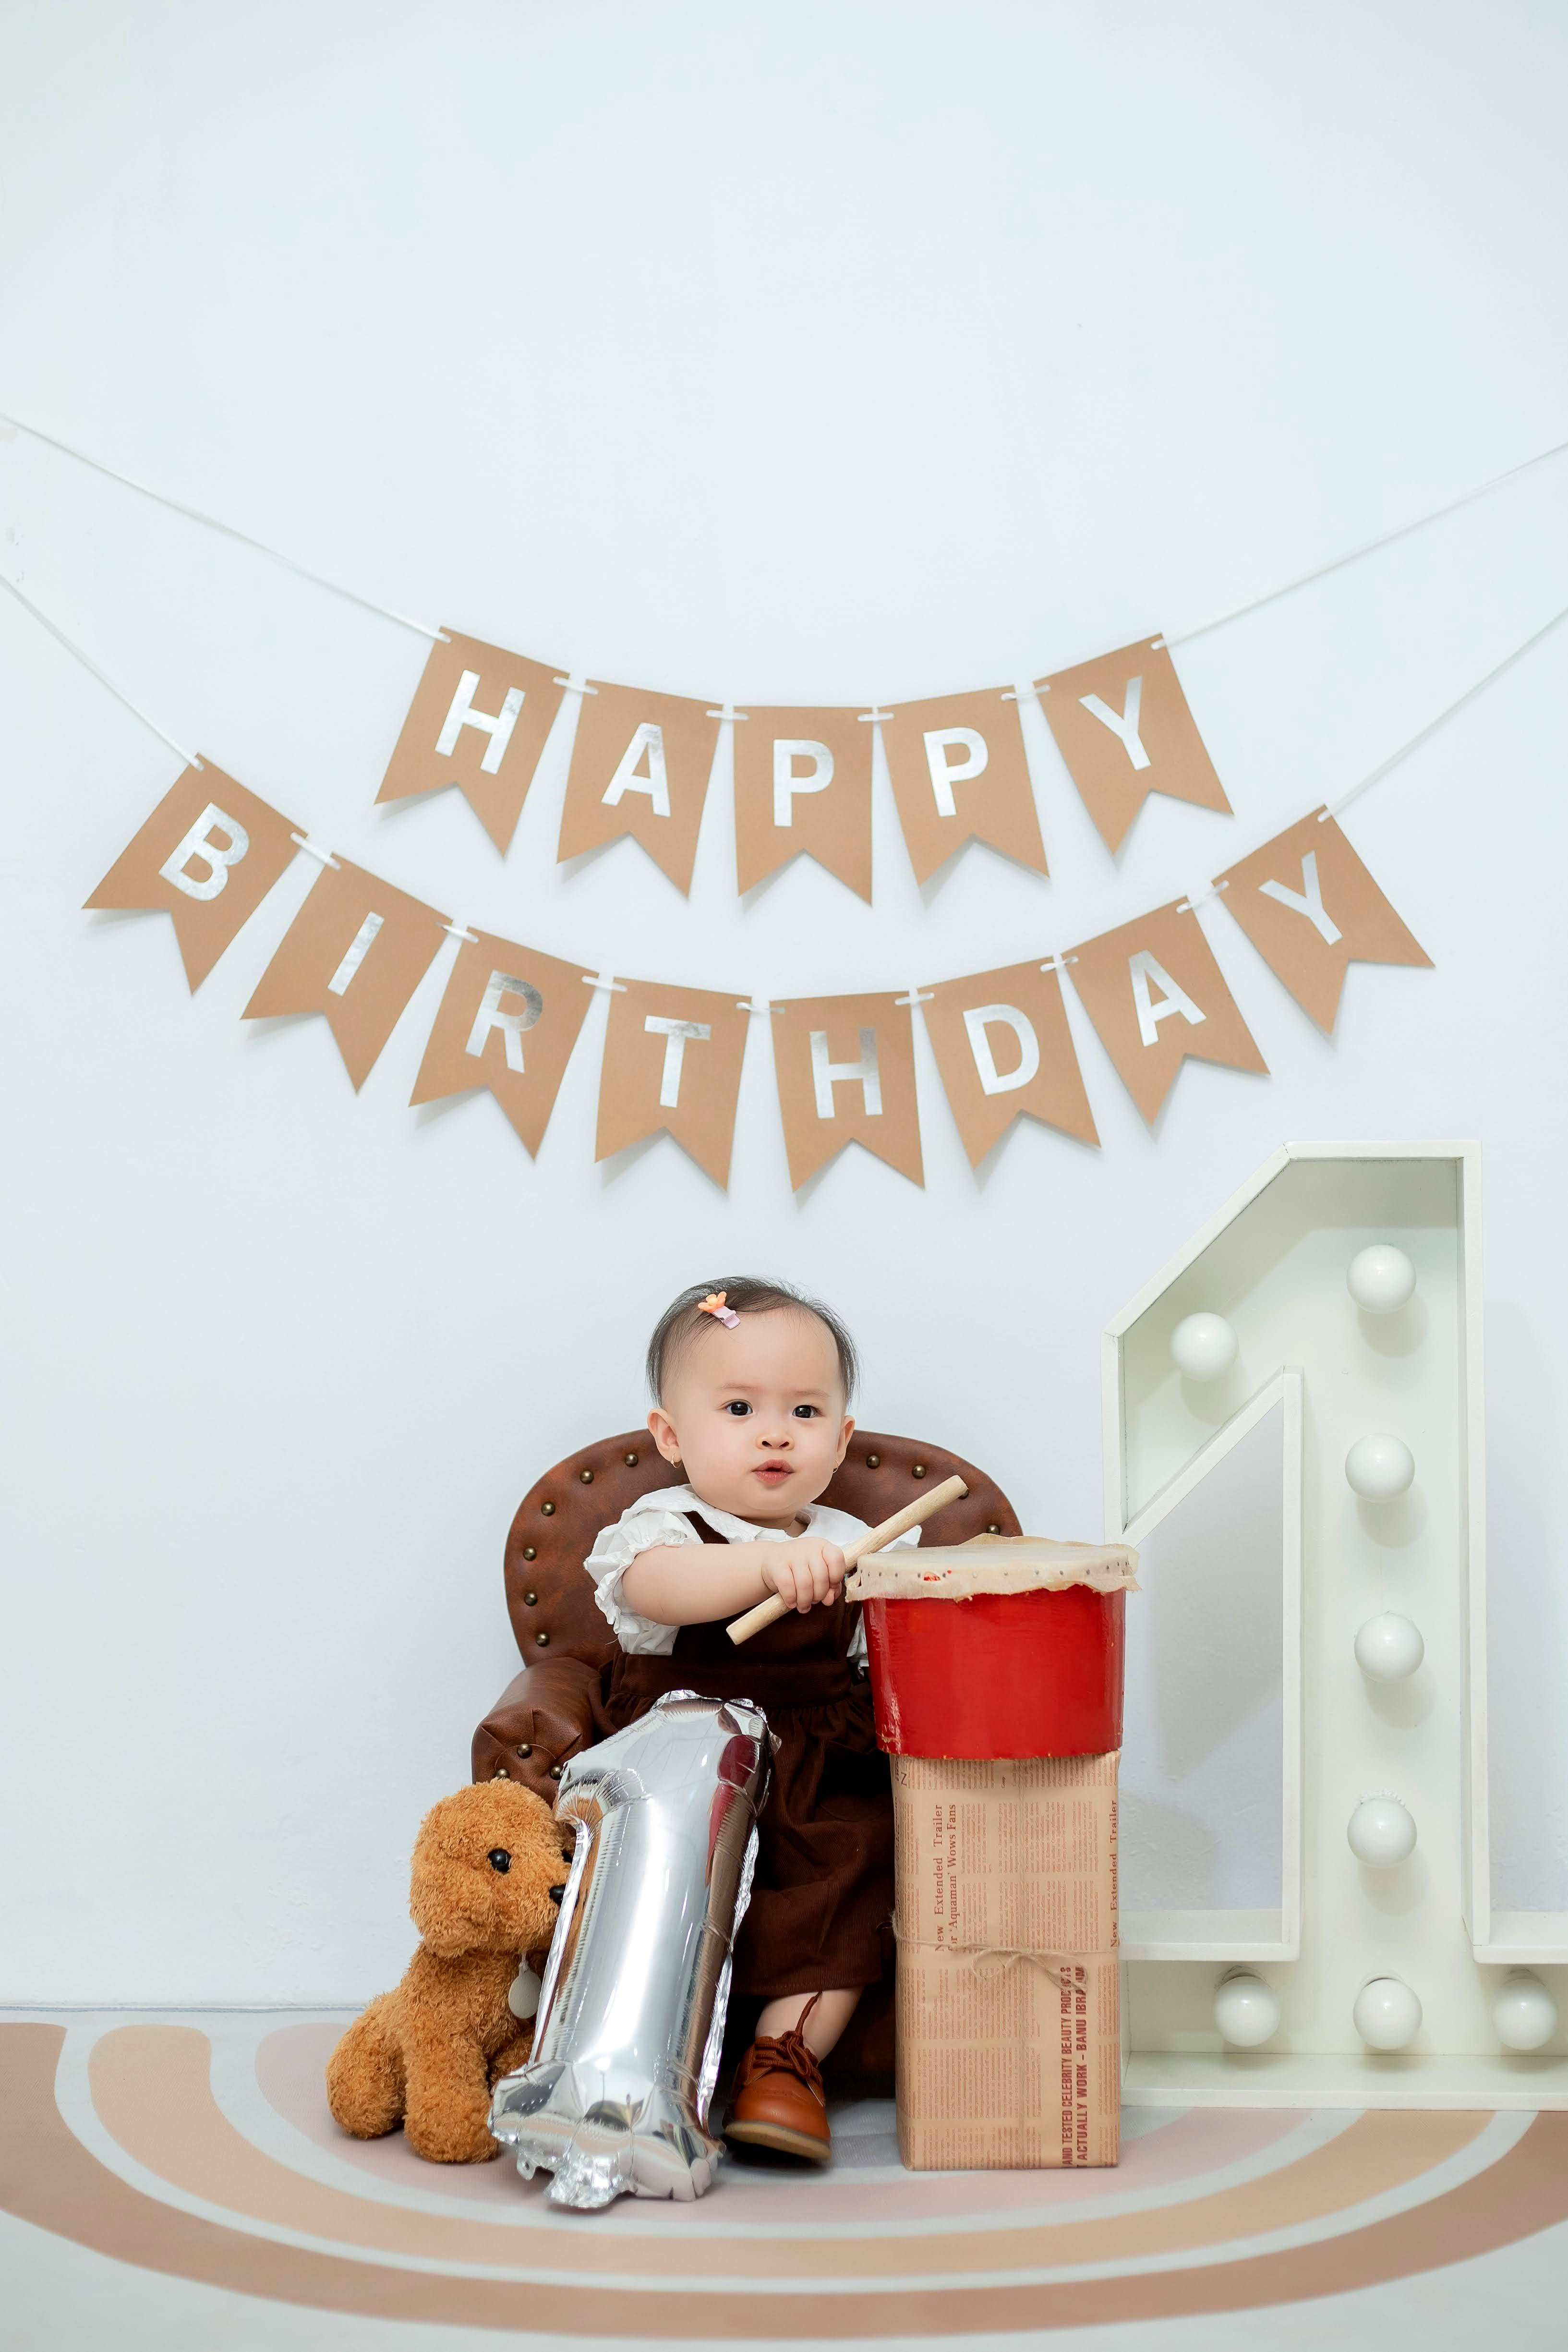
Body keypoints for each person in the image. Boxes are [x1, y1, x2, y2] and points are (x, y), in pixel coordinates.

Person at [584, 1275, 914, 2164]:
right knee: (667, 1883)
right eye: (738, 1406)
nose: (775, 1432)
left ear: (840, 1436)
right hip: (686, 1749)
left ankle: (787, 2060)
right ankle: (635, 2060)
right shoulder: (665, 1523)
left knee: (847, 1870)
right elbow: (658, 1587)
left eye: (805, 1410)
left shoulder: (854, 1538)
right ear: (670, 1434)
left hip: (817, 1753)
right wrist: (768, 1566)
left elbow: (893, 1648)